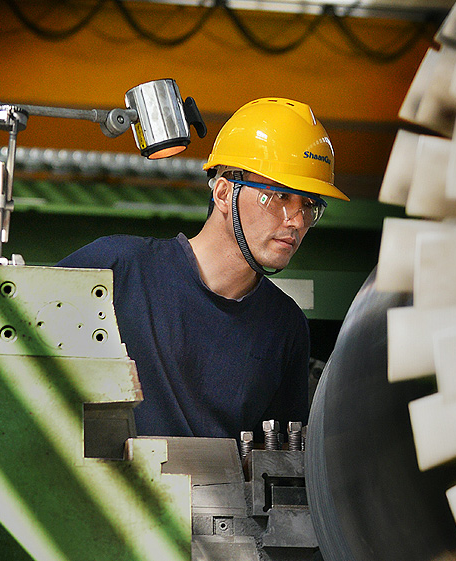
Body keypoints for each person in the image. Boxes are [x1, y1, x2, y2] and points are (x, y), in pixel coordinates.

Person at [59, 98, 350, 438]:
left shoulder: (285, 326)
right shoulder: (117, 269)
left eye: (309, 205)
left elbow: (279, 455)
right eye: (280, 197)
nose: (297, 221)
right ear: (224, 193)